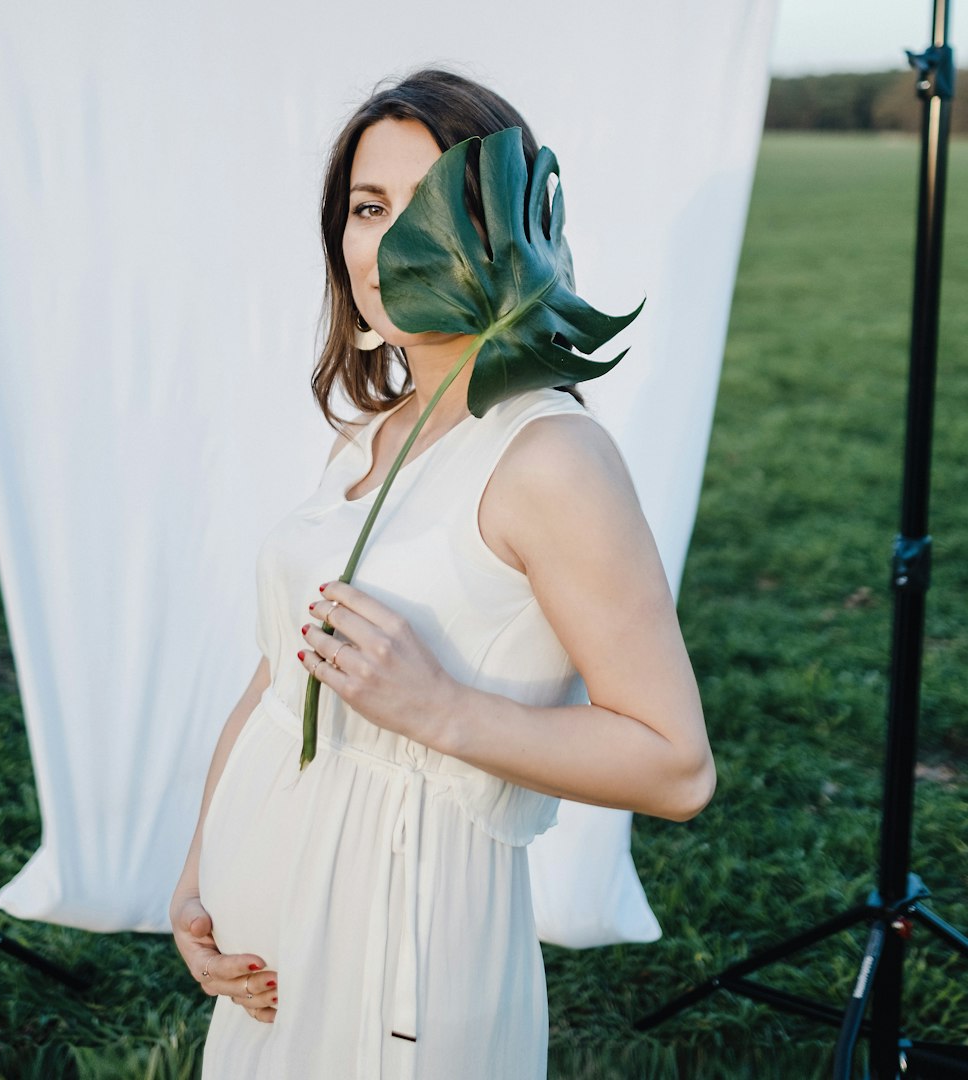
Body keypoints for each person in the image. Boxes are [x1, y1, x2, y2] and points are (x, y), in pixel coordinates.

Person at [170, 68, 715, 1080]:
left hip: (402, 959)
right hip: (267, 959)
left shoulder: (549, 457)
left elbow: (676, 766)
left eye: (429, 207)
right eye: (369, 208)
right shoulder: (374, 437)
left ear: (503, 230)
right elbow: (279, 673)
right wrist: (202, 872)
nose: (393, 242)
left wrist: (441, 710)